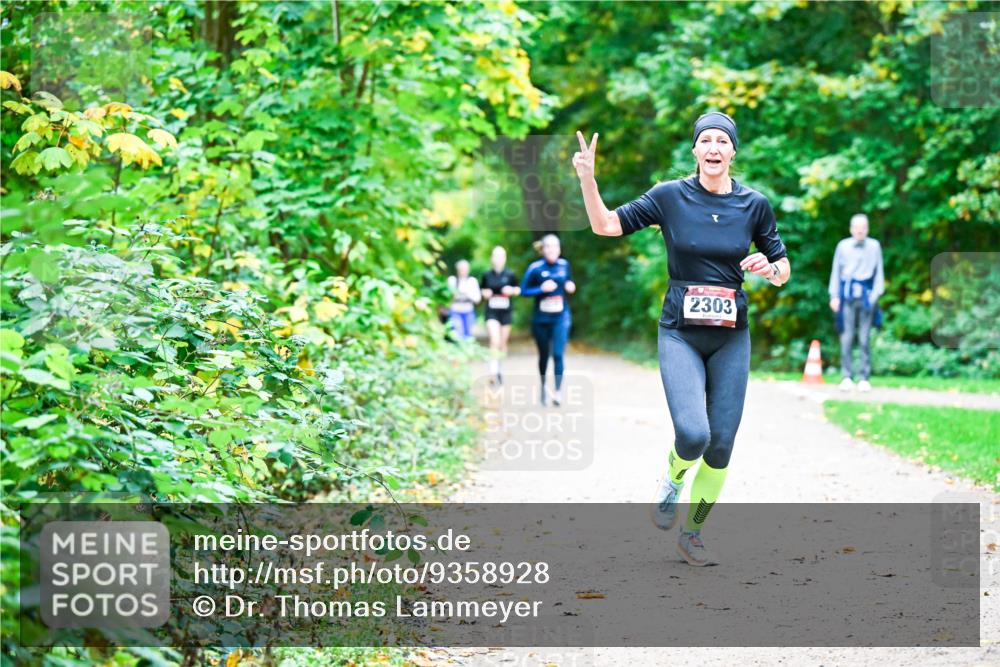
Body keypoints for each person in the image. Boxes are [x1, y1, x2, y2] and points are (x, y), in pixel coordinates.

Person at [572, 112, 790, 566]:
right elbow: (606, 225)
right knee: (693, 434)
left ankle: (692, 534)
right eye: (705, 140)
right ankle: (672, 480)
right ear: (694, 150)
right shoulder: (669, 196)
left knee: (722, 445)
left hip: (731, 337)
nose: (713, 148)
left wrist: (769, 270)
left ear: (733, 151)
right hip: (681, 334)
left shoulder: (755, 204)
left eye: (722, 141)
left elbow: (782, 267)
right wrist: (588, 180)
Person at [829, 213, 884, 393]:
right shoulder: (842, 246)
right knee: (846, 337)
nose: (860, 230)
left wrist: (876, 295)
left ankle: (864, 378)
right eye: (857, 227)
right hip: (846, 297)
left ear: (867, 229)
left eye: (863, 227)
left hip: (867, 298)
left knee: (864, 338)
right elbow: (836, 271)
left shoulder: (874, 246)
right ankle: (846, 376)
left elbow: (879, 274)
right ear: (851, 228)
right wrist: (834, 296)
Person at [521, 234, 576, 407]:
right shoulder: (535, 268)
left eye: (555, 246)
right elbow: (523, 291)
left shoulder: (564, 265)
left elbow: (569, 282)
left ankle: (558, 392)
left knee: (558, 354)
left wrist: (570, 285)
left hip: (561, 317)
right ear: (543, 249)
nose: (552, 250)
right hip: (541, 319)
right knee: (544, 355)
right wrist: (540, 289)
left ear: (559, 249)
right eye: (549, 247)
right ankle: (544, 386)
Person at [480, 246, 520, 385]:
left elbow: (518, 289)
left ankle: (498, 370)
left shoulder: (510, 274)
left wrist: (512, 290)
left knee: (502, 344)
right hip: (492, 311)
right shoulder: (486, 275)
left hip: (505, 312)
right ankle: (492, 372)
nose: (498, 259)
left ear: (505, 258)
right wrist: (485, 294)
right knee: (494, 340)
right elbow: (482, 291)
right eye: (495, 256)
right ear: (492, 258)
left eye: (501, 256)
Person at [447, 259, 481, 340]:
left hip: (468, 311)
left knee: (468, 335)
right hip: (455, 311)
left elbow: (477, 299)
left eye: (465, 269)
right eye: (461, 269)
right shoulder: (452, 280)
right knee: (458, 335)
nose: (463, 271)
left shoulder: (472, 281)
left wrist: (467, 294)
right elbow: (447, 298)